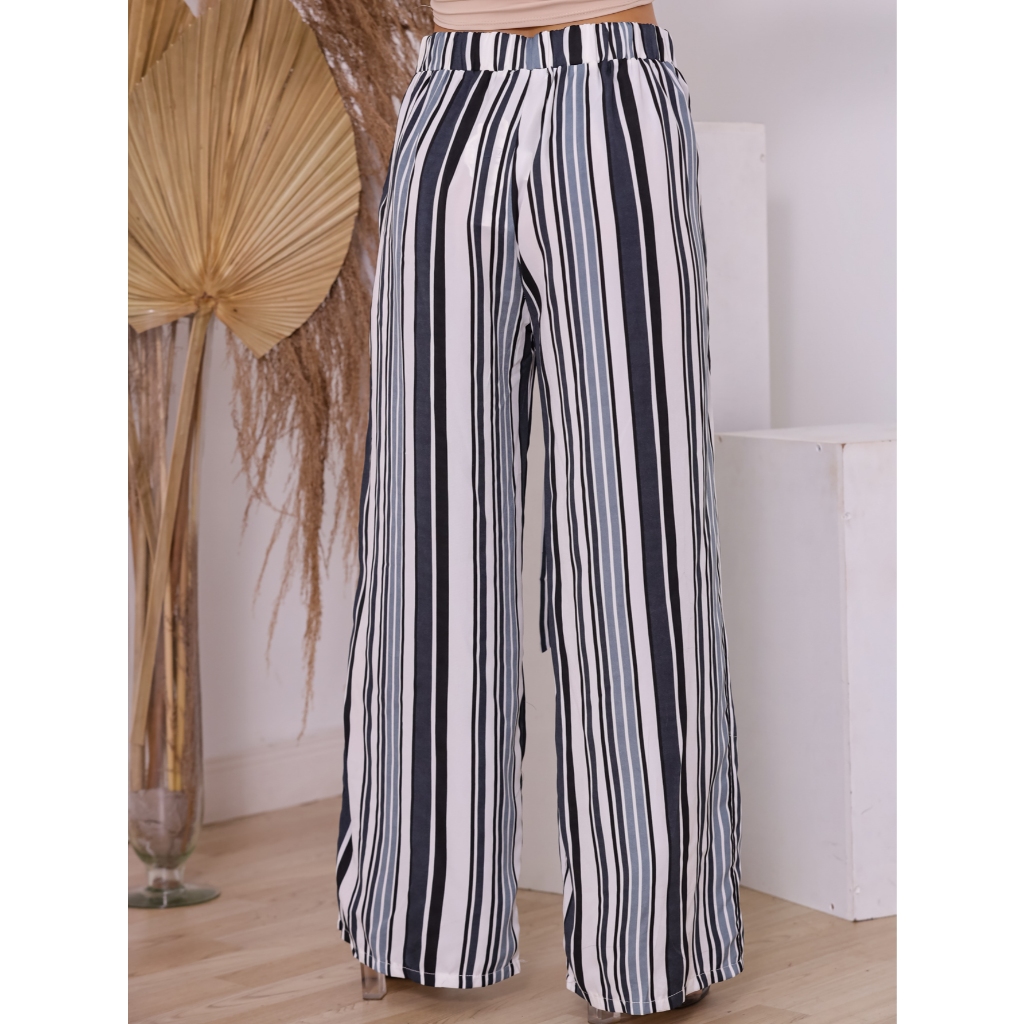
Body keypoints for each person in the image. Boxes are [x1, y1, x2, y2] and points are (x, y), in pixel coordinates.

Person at [336, 3, 743, 1020]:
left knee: (637, 531)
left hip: (613, 91)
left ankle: (652, 938)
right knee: (427, 529)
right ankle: (420, 911)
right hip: (450, 97)